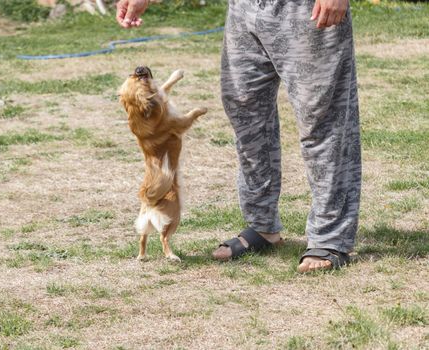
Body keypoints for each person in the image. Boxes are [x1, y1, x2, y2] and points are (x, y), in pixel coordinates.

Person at [116, 0, 361, 273]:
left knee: (322, 118)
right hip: (245, 9)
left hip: (304, 10)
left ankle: (330, 237)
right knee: (245, 111)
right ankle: (262, 225)